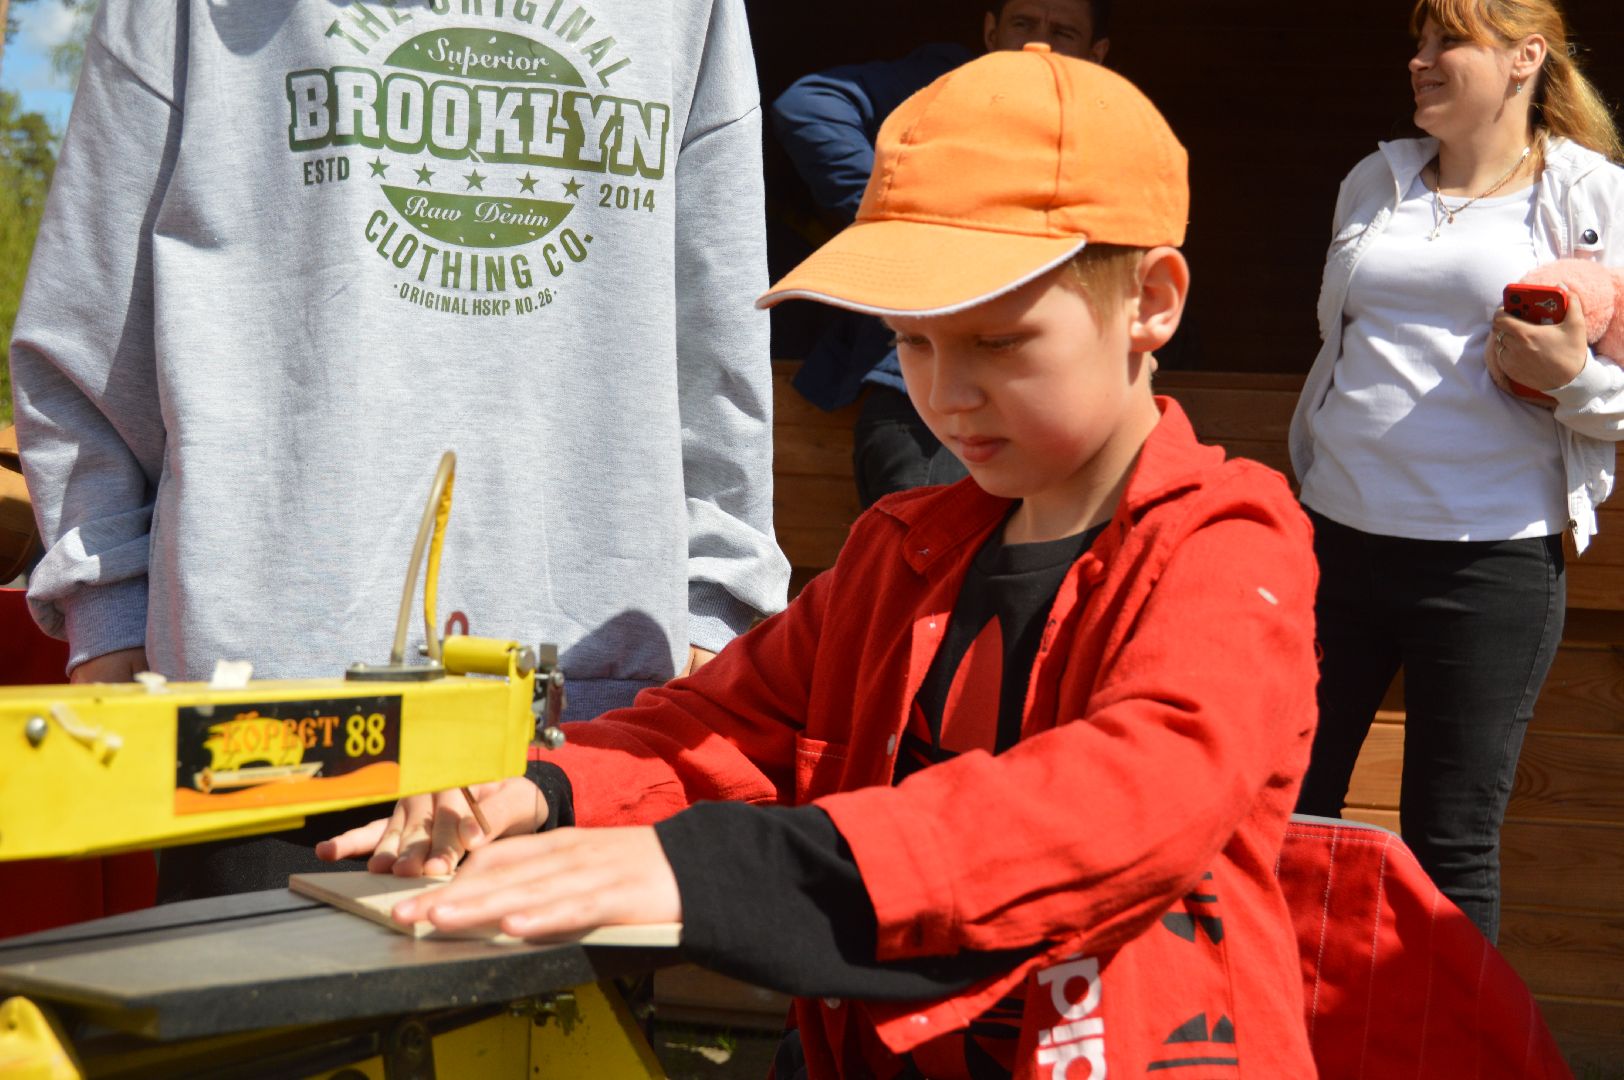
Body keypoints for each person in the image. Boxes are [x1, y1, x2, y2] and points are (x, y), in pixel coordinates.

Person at [323, 46, 1321, 1078]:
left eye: (997, 340)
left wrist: (709, 872)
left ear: (1151, 301)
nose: (947, 394)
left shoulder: (1225, 537)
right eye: (913, 343)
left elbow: (1136, 795)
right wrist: (542, 789)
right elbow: (722, 723)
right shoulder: (902, 549)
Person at [9, 0, 788, 897]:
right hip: (263, 721)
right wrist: (109, 610)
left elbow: (721, 325)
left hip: (585, 724)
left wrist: (710, 617)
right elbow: (87, 323)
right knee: (275, 1033)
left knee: (555, 1041)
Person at [1289, 0, 1624, 943]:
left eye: (1448, 42)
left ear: (1525, 59)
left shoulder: (1594, 195)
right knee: (1283, 803)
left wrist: (1575, 381)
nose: (1420, 61)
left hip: (1490, 563)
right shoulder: (1375, 179)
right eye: (1418, 42)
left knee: (1451, 844)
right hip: (1334, 543)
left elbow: (1619, 393)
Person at [771, 1, 1112, 508]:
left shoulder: (1108, 136)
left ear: (1097, 54)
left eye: (1062, 30)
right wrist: (903, 214)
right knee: (941, 582)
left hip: (1037, 419)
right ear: (991, 30)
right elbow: (810, 105)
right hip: (931, 417)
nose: (1038, 43)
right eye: (1023, 23)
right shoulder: (954, 85)